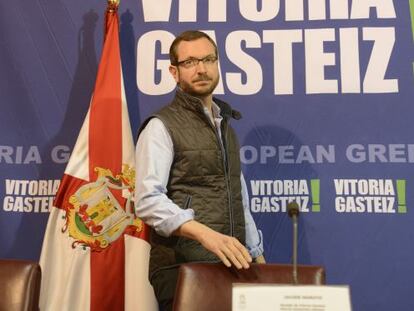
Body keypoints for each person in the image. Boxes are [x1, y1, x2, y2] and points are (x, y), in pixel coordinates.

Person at [135, 30, 265, 311]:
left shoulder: (226, 126)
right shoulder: (161, 126)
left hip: (234, 266)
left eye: (208, 59)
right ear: (174, 71)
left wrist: (257, 255)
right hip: (182, 269)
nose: (201, 68)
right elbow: (147, 201)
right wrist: (205, 234)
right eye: (190, 62)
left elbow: (238, 198)